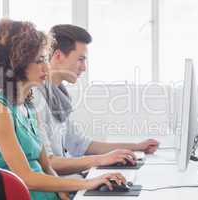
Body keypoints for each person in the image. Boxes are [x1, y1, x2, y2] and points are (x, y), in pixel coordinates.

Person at [0, 19, 126, 200]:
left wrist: (64, 196)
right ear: (16, 64)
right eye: (39, 61)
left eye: (45, 60)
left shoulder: (29, 106)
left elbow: (47, 167)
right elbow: (26, 178)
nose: (46, 68)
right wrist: (88, 184)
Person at [33, 24, 159, 175]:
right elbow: (49, 162)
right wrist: (101, 160)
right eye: (80, 59)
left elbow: (82, 144)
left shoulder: (58, 95)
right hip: (56, 184)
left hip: (66, 178)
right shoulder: (36, 96)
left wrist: (137, 146)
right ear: (58, 56)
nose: (84, 67)